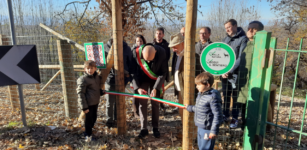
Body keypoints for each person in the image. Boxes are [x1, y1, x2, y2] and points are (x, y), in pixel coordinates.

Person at [130, 43, 168, 138]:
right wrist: (138, 88)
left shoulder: (162, 52)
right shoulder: (135, 52)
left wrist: (155, 88)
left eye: (150, 60)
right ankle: (144, 129)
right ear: (142, 52)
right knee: (142, 103)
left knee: (155, 103)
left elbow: (163, 72)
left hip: (156, 79)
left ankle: (155, 128)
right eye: (146, 59)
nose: (148, 61)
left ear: (155, 52)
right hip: (142, 79)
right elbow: (132, 72)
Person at [184, 72, 223, 150]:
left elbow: (217, 115)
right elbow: (199, 108)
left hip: (208, 129)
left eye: (199, 85)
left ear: (207, 85)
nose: (196, 87)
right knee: (201, 147)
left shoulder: (213, 97)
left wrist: (213, 131)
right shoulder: (201, 94)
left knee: (206, 148)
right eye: (196, 84)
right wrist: (189, 107)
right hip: (200, 127)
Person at [221, 19, 248, 128]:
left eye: (229, 27)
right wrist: (222, 71)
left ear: (235, 26)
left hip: (236, 74)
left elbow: (241, 57)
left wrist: (230, 70)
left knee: (236, 97)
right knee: (226, 95)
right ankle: (225, 115)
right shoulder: (224, 40)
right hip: (224, 74)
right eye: (226, 28)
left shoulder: (243, 39)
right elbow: (221, 56)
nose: (227, 29)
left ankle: (235, 118)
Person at [237, 21, 264, 129]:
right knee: (242, 110)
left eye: (253, 28)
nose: (250, 30)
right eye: (249, 28)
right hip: (242, 84)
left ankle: (252, 133)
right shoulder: (246, 44)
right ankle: (244, 132)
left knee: (252, 111)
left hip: (253, 85)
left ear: (260, 31)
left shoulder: (260, 46)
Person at [104, 38, 133, 128]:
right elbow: (101, 63)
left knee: (119, 101)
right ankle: (109, 121)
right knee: (109, 101)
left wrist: (128, 75)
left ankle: (117, 119)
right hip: (109, 79)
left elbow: (130, 62)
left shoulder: (126, 48)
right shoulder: (105, 47)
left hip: (121, 79)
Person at [77, 60, 106, 142]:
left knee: (94, 118)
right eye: (88, 68)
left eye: (92, 68)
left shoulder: (97, 77)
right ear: (84, 69)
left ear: (95, 68)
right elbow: (80, 94)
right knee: (89, 120)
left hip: (95, 102)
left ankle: (89, 131)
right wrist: (84, 107)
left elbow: (95, 89)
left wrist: (100, 92)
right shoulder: (83, 79)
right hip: (88, 104)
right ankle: (87, 135)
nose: (90, 70)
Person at [169, 33, 185, 122]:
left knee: (187, 112)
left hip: (187, 90)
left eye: (175, 47)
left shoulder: (190, 55)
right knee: (181, 111)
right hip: (179, 88)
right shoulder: (177, 55)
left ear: (182, 43)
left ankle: (190, 133)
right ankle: (184, 129)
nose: (173, 50)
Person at [131, 35, 147, 118]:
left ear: (143, 41)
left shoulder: (146, 49)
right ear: (135, 42)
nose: (139, 42)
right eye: (137, 41)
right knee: (135, 94)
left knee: (143, 93)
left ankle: (142, 111)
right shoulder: (133, 51)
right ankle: (135, 111)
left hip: (144, 75)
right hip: (135, 75)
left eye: (141, 41)